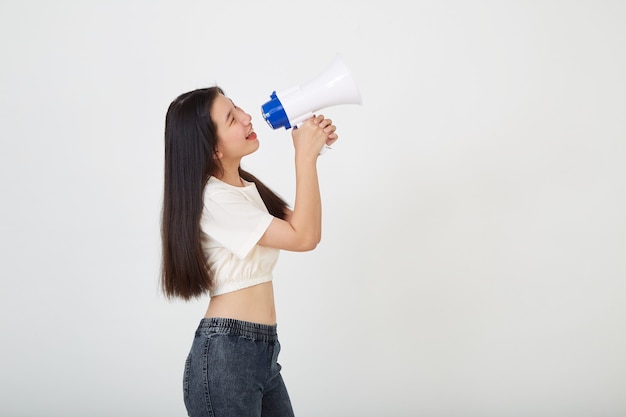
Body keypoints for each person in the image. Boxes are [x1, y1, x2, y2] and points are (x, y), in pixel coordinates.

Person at [161, 86, 338, 417]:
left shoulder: (245, 190)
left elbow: (303, 226)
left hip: (262, 350)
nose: (246, 117)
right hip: (228, 354)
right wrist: (304, 156)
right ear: (212, 148)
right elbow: (305, 237)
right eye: (231, 118)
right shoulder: (213, 199)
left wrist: (312, 151)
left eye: (238, 108)